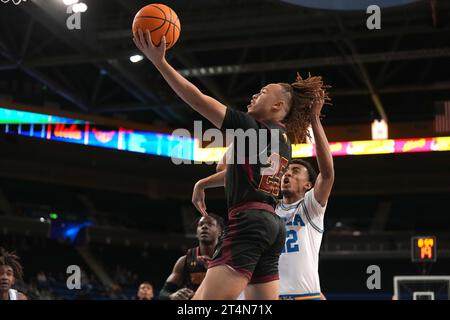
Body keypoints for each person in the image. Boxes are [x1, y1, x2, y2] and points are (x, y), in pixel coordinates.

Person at [134, 30, 329, 299]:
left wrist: (160, 63)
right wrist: (203, 182)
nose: (253, 95)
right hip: (272, 228)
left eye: (262, 92)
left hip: (247, 222)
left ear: (278, 105)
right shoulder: (284, 142)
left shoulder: (252, 127)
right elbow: (236, 173)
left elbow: (197, 99)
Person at [197, 89, 333, 300]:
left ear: (308, 185)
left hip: (306, 296)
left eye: (295, 172)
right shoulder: (269, 205)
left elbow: (327, 174)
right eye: (286, 171)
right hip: (267, 289)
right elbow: (225, 168)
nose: (287, 175)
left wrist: (314, 119)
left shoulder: (310, 206)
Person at [159, 215, 224, 300]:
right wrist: (172, 296)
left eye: (210, 224)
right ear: (197, 233)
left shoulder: (228, 260)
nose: (204, 227)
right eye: (201, 225)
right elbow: (163, 293)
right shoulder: (184, 261)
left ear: (220, 232)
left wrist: (214, 272)